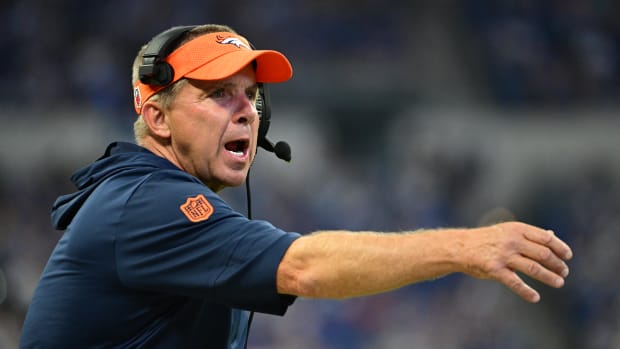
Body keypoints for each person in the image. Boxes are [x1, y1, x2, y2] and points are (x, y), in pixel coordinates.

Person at [19, 24, 573, 348]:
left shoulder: (144, 197)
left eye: (251, 95)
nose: (246, 111)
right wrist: (464, 247)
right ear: (158, 118)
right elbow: (303, 268)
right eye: (218, 94)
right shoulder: (147, 201)